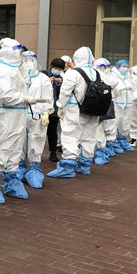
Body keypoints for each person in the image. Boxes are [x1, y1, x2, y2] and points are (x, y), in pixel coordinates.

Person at [0, 38, 33, 204]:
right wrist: (25, 98)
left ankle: (11, 182)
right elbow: (7, 96)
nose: (22, 56)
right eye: (20, 52)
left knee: (15, 150)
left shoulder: (15, 68)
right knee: (1, 149)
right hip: (3, 115)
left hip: (16, 114)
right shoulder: (2, 69)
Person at [47, 47, 100, 178]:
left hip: (74, 109)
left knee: (70, 135)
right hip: (93, 110)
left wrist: (60, 105)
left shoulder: (73, 73)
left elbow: (65, 92)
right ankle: (85, 165)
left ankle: (67, 167)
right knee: (89, 136)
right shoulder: (97, 72)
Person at [17, 51, 53, 189]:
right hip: (19, 115)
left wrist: (46, 113)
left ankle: (34, 169)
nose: (28, 63)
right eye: (25, 60)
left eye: (31, 60)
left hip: (37, 116)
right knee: (19, 141)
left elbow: (48, 98)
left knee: (36, 140)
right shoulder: (18, 76)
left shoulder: (43, 78)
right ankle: (19, 168)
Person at [93, 58, 122, 165]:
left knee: (108, 126)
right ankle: (97, 150)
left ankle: (105, 148)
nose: (105, 68)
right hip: (94, 104)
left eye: (107, 66)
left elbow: (114, 83)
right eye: (102, 66)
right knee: (96, 128)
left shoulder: (109, 76)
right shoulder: (94, 74)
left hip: (107, 103)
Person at [112, 60, 135, 152]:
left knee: (126, 122)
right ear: (118, 67)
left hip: (128, 104)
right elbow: (114, 89)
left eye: (127, 66)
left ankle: (123, 141)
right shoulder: (114, 77)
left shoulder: (127, 78)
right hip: (118, 103)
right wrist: (123, 88)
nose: (125, 68)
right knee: (116, 122)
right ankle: (113, 142)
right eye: (123, 66)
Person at [46, 58, 65, 162]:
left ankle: (53, 152)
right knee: (38, 132)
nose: (57, 70)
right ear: (51, 66)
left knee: (52, 131)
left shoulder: (62, 78)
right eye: (55, 68)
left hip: (54, 109)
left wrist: (61, 82)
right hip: (42, 108)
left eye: (60, 69)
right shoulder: (44, 74)